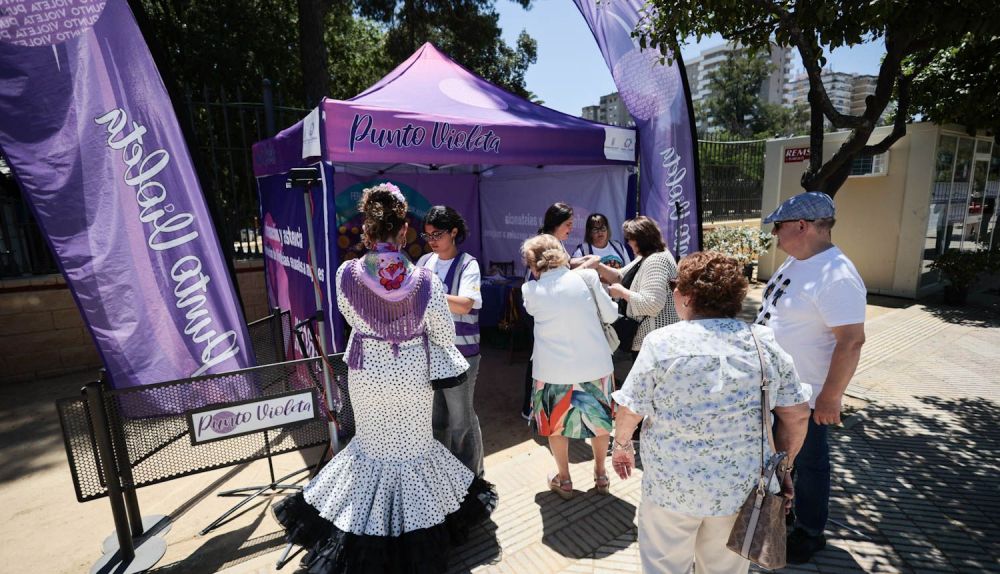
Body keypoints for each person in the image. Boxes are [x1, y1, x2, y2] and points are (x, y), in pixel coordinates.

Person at [273, 183, 497, 573]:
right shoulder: (426, 281)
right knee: (413, 452)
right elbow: (444, 336)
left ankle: (364, 528)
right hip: (410, 375)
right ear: (405, 231)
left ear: (368, 231)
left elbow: (350, 318)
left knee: (371, 451)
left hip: (367, 373)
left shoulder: (347, 274)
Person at [611, 251, 812, 574]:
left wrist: (621, 447)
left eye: (676, 285)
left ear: (688, 296)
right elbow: (797, 415)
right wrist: (784, 467)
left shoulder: (662, 343)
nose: (673, 291)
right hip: (742, 491)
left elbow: (630, 409)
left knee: (663, 567)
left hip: (670, 487)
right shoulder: (762, 344)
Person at [756, 191, 867, 564]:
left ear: (801, 226)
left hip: (805, 395)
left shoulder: (837, 275)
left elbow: (851, 342)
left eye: (779, 227)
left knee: (811, 463)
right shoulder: (796, 260)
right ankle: (780, 519)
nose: (775, 234)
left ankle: (809, 530)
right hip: (773, 390)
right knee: (779, 460)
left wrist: (831, 399)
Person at [520, 234, 618, 499]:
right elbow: (610, 315)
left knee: (556, 427)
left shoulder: (530, 291)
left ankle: (564, 480)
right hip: (595, 365)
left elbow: (534, 311)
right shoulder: (587, 279)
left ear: (533, 264)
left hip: (551, 371)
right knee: (600, 423)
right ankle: (600, 474)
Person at [417, 205, 485, 477]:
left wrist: (426, 293)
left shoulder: (469, 264)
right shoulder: (423, 264)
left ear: (454, 232)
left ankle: (471, 480)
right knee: (434, 420)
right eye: (428, 235)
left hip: (463, 354)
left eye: (438, 234)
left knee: (461, 421)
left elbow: (466, 305)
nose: (432, 240)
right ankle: (442, 478)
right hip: (430, 354)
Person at [519, 202, 596, 419]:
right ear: (557, 223)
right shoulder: (549, 242)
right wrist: (589, 268)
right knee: (538, 356)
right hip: (539, 305)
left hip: (543, 304)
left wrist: (584, 260)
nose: (571, 228)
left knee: (540, 354)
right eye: (568, 224)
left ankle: (536, 405)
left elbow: (566, 264)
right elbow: (560, 274)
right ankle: (531, 406)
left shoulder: (555, 241)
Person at [598, 216, 679, 356]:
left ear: (641, 239)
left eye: (630, 238)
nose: (628, 242)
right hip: (651, 342)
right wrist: (597, 265)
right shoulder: (646, 257)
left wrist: (622, 293)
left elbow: (652, 304)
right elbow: (620, 276)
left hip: (656, 344)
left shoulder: (656, 260)